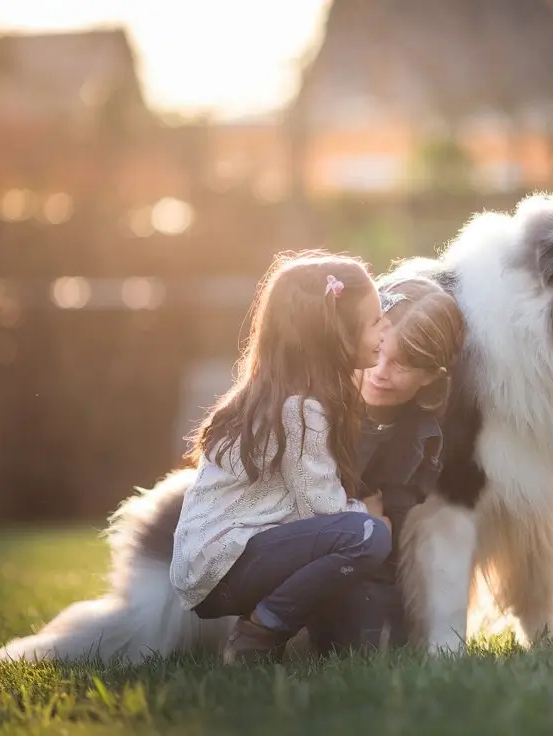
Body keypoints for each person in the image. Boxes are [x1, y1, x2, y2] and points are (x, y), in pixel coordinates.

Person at [169, 250, 393, 664]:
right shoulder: (302, 409)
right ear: (337, 337)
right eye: (376, 321)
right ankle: (259, 633)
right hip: (224, 565)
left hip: (216, 565)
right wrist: (370, 512)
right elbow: (322, 510)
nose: (386, 329)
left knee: (358, 542)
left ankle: (304, 641)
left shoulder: (288, 399)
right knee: (367, 535)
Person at [305, 274, 466, 656]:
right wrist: (359, 515)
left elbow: (407, 521)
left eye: (403, 365)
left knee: (379, 642)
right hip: (307, 545)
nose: (380, 372)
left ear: (430, 377)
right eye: (377, 353)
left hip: (376, 561)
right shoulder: (319, 406)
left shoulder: (425, 433)